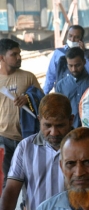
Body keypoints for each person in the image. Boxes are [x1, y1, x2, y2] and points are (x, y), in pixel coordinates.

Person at [0, 93, 73, 210]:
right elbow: (11, 191)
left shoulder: (82, 147)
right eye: (47, 125)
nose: (53, 132)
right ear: (39, 120)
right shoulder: (25, 147)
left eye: (60, 126)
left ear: (71, 120)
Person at [0, 38, 41, 188]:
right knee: (6, 180)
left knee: (29, 177)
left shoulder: (28, 77)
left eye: (19, 54)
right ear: (2, 57)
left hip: (27, 138)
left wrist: (28, 98)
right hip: (3, 139)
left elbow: (42, 103)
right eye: (14, 54)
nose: (19, 57)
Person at [55, 47, 89, 128]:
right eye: (70, 66)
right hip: (69, 130)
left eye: (77, 65)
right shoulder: (60, 86)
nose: (74, 69)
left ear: (84, 62)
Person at [44, 25, 89, 94]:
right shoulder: (58, 53)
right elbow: (50, 76)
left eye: (76, 37)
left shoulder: (88, 53)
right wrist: (45, 93)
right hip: (63, 91)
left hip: (83, 91)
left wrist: (83, 53)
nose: (72, 39)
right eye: (70, 36)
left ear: (81, 39)